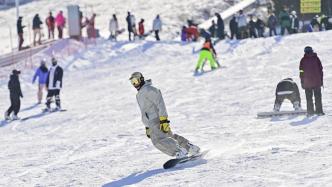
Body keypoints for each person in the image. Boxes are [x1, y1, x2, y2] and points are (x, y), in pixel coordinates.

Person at [129, 72, 200, 159]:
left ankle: (179, 151)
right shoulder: (140, 93)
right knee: (169, 137)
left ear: (141, 79)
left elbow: (160, 103)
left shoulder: (149, 89)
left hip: (156, 119)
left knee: (158, 141)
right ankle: (190, 148)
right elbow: (145, 111)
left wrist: (163, 120)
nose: (134, 84)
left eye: (135, 81)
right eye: (132, 82)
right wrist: (147, 126)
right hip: (152, 121)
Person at [299, 46, 324, 116]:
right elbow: (321, 69)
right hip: (317, 82)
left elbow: (301, 71)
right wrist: (321, 80)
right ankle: (319, 111)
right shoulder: (316, 58)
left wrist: (302, 81)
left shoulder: (303, 60)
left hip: (307, 83)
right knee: (318, 97)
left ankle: (310, 112)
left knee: (309, 98)